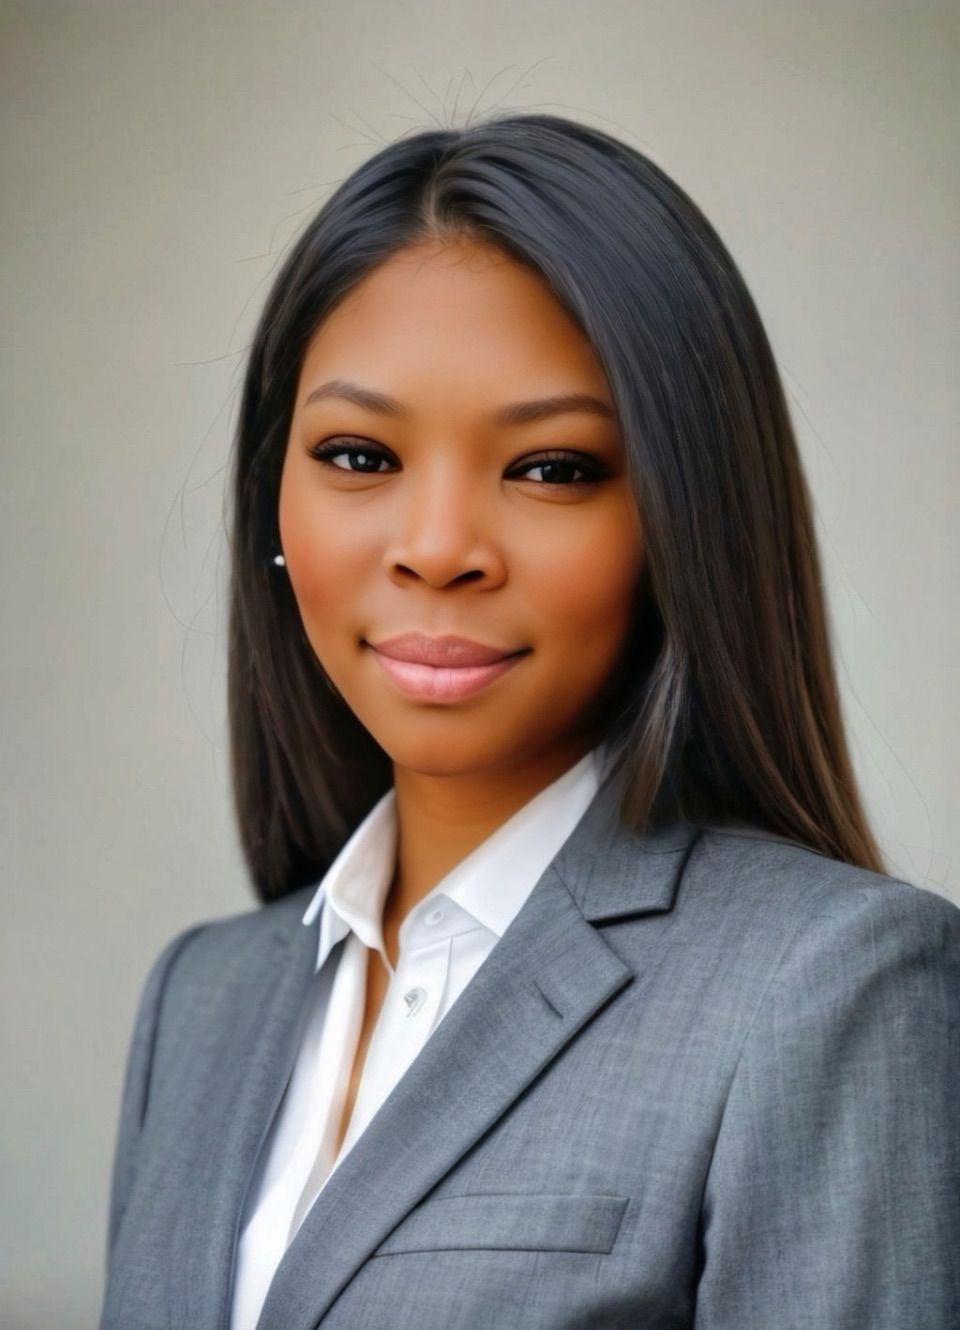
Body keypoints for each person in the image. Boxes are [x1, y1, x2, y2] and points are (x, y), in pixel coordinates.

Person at [99, 113, 960, 1330]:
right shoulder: (200, 1001)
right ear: (270, 501)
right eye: (359, 455)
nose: (439, 547)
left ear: (683, 519)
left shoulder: (829, 990)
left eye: (552, 467)